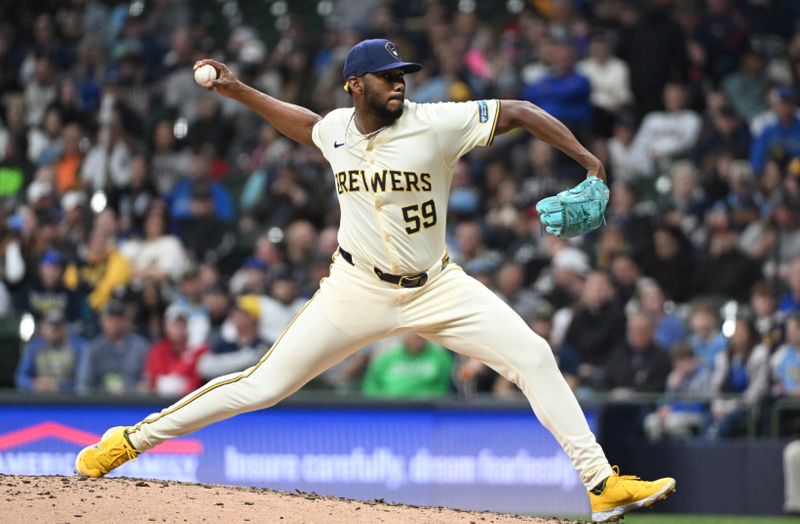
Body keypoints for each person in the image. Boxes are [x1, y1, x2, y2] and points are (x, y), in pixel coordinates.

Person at [75, 38, 675, 522]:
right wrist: (236, 89)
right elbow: (304, 124)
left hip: (438, 286)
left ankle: (601, 484)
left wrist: (590, 163)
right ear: (355, 85)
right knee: (262, 386)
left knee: (534, 356)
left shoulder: (435, 123)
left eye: (403, 75)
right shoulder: (336, 128)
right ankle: (129, 440)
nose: (400, 84)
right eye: (388, 77)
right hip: (355, 288)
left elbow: (516, 111)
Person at [361, 333, 453, 399]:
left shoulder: (440, 357)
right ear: (405, 336)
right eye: (415, 338)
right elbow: (372, 384)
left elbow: (443, 385)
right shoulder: (389, 357)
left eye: (421, 338)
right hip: (390, 407)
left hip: (426, 408)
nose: (418, 342)